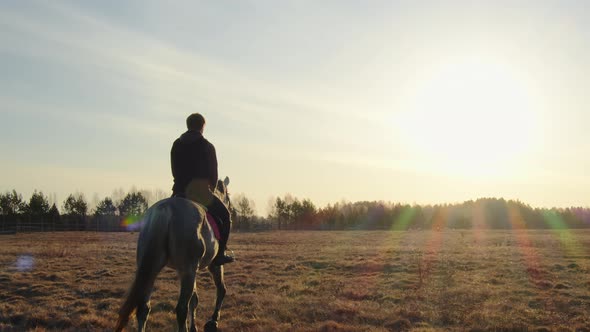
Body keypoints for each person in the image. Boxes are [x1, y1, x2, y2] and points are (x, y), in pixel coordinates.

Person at [171, 113, 234, 265]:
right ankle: (219, 255)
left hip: (178, 192)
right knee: (226, 216)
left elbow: (174, 170)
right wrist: (210, 189)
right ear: (202, 127)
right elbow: (213, 176)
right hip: (200, 194)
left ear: (188, 125)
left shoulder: (176, 144)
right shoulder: (207, 146)